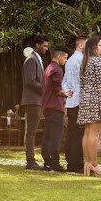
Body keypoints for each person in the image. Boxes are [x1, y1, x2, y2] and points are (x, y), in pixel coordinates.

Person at [77, 35, 101, 177]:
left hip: (85, 98)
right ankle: (94, 164)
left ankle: (87, 162)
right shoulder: (97, 61)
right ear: (95, 47)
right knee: (94, 133)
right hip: (96, 98)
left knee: (87, 132)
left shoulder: (85, 61)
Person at [20, 35, 48, 170]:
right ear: (37, 45)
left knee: (32, 131)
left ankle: (31, 160)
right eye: (44, 46)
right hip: (32, 100)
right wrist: (45, 90)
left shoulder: (37, 59)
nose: (46, 49)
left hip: (36, 100)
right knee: (31, 131)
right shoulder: (31, 60)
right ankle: (30, 161)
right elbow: (30, 81)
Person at [41, 46, 70, 172]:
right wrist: (66, 94)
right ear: (59, 57)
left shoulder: (48, 68)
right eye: (65, 57)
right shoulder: (57, 70)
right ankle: (55, 163)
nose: (65, 60)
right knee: (56, 136)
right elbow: (57, 89)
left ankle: (47, 161)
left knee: (47, 135)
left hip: (47, 106)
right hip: (55, 107)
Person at [62, 35, 87, 174]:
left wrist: (67, 92)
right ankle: (76, 164)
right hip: (80, 101)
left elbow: (64, 80)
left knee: (71, 132)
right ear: (82, 45)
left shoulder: (70, 60)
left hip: (71, 101)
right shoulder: (82, 60)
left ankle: (70, 162)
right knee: (79, 133)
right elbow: (83, 80)